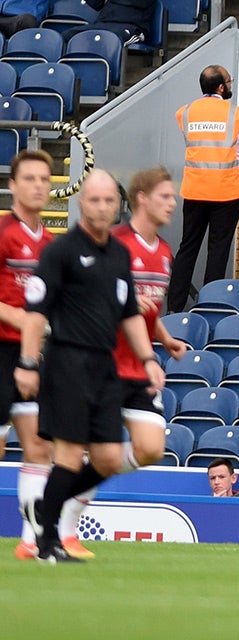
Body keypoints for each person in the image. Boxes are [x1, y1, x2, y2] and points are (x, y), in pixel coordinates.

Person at [12, 167, 162, 563]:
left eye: (109, 200)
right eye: (94, 200)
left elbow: (129, 313)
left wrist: (148, 358)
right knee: (67, 455)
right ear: (81, 203)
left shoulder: (118, 253)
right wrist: (27, 363)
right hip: (67, 364)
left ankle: (46, 507)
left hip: (105, 369)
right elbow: (35, 311)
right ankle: (46, 543)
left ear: (118, 205)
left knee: (109, 459)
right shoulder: (60, 251)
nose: (102, 206)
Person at [2, 149, 55, 553]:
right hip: (2, 348)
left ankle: (30, 541)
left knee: (40, 445)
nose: (38, 186)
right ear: (13, 185)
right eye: (30, 178)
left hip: (35, 355)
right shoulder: (4, 232)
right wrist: (22, 319)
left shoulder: (53, 245)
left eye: (44, 179)